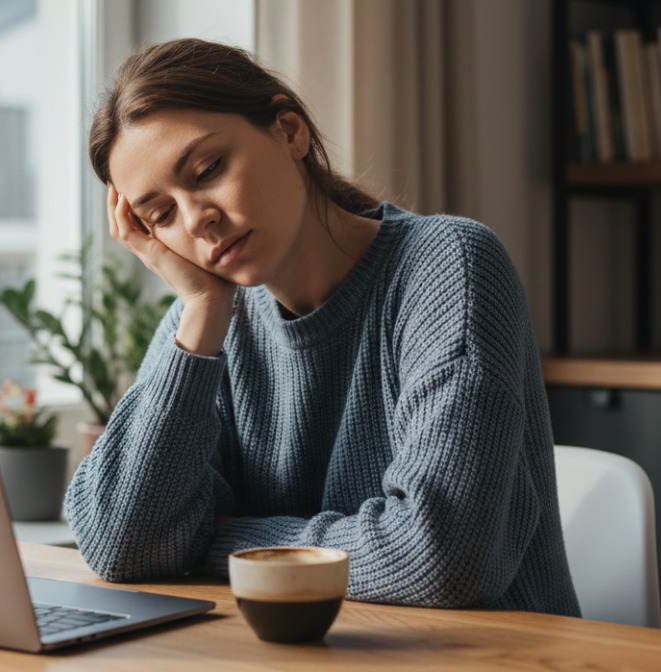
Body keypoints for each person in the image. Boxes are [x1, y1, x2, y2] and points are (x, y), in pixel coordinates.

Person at [66, 38, 580, 615]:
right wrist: (202, 309)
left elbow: (442, 557)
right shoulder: (207, 321)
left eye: (208, 169)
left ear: (289, 131)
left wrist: (221, 540)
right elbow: (120, 543)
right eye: (160, 214)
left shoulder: (448, 265)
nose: (197, 220)